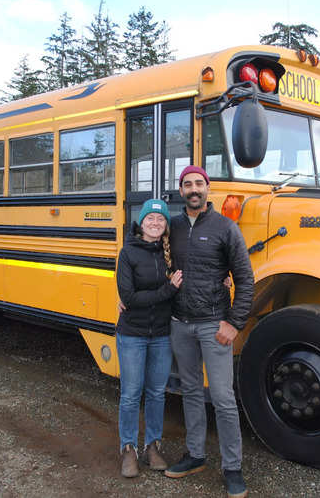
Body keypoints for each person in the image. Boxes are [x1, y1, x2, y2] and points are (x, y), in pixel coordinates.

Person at [164, 165, 254, 498]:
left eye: (199, 183)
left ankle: (232, 468)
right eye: (187, 184)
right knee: (190, 393)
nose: (193, 189)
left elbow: (245, 278)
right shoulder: (171, 227)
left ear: (207, 188)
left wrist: (234, 323)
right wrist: (127, 298)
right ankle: (196, 455)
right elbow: (146, 256)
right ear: (181, 190)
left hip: (213, 326)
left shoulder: (225, 228)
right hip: (180, 324)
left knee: (222, 398)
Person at [115, 198, 183, 478]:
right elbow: (129, 298)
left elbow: (199, 269)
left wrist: (226, 278)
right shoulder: (128, 252)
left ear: (166, 225)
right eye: (150, 219)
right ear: (141, 223)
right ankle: (128, 448)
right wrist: (167, 290)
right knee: (131, 394)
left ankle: (152, 446)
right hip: (132, 334)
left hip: (161, 335)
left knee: (156, 393)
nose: (155, 224)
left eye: (161, 220)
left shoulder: (170, 254)